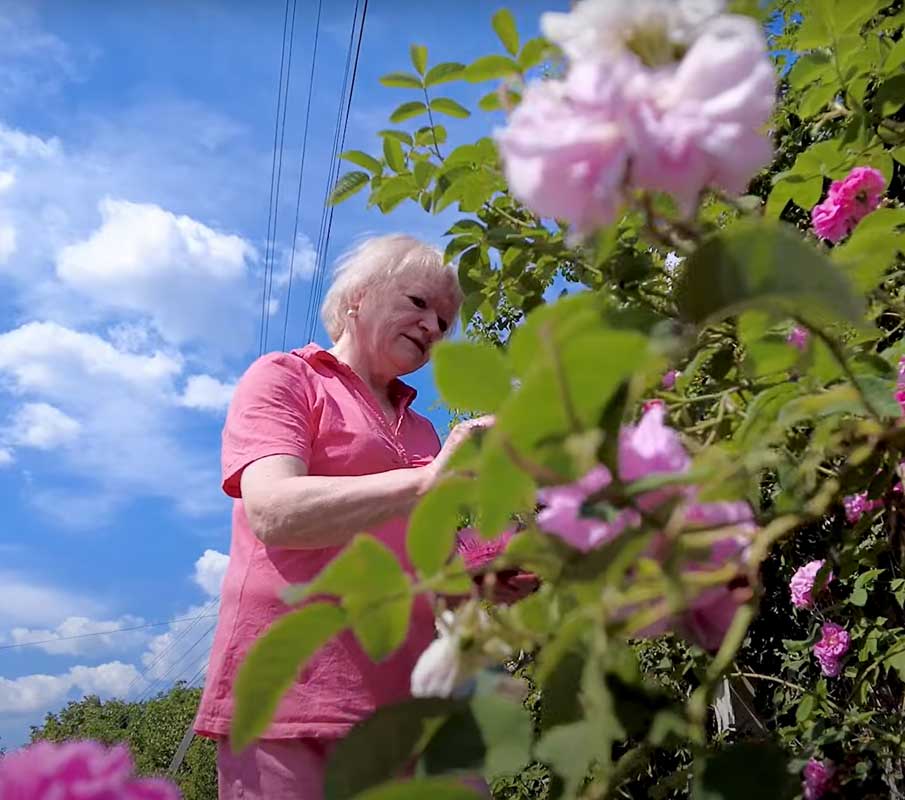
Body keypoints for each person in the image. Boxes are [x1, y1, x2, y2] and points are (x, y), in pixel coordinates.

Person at [194, 234, 517, 799]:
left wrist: (487, 575)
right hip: (295, 703)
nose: (433, 327)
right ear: (360, 295)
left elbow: (434, 570)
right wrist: (426, 480)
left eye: (445, 322)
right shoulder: (286, 377)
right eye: (419, 303)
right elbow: (273, 510)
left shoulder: (423, 429)